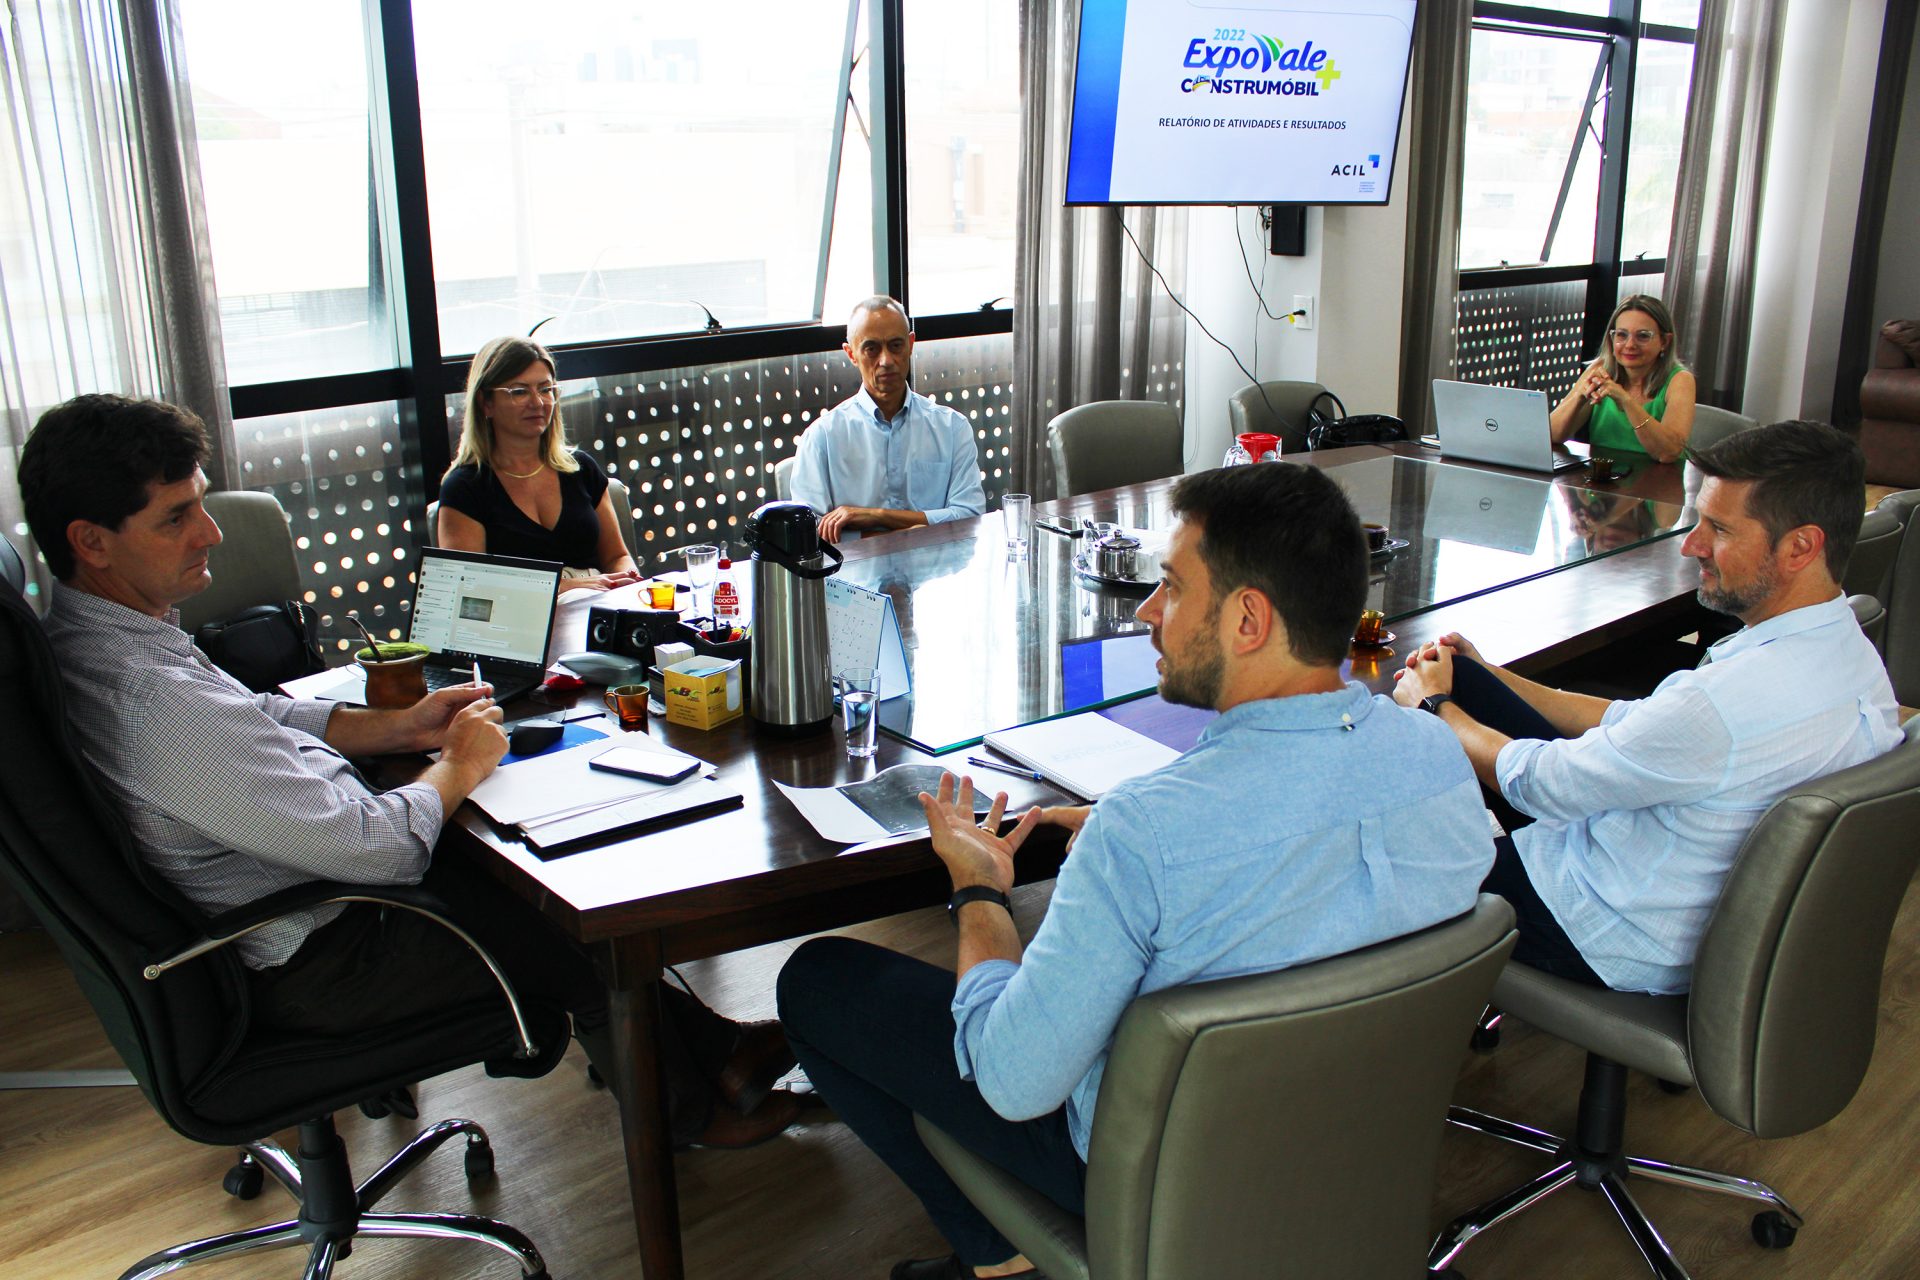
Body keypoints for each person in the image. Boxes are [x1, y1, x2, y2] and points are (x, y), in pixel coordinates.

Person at [21, 394, 802, 1149]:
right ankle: (692, 1114)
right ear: (92, 541)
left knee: (515, 873)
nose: (211, 532)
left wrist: (395, 727)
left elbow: (254, 714)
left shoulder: (105, 640)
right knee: (563, 917)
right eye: (176, 517)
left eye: (201, 503)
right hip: (320, 955)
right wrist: (456, 765)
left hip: (306, 903)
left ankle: (720, 1055)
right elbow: (380, 849)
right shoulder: (146, 700)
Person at [776, 464, 1496, 1280]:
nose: (1148, 612)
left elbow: (1012, 1085)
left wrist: (979, 892)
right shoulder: (1437, 758)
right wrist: (1150, 832)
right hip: (1356, 1139)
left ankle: (997, 1256)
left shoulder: (1144, 833)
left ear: (1249, 620)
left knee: (820, 980)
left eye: (1172, 587)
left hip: (1160, 1174)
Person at [1394, 420, 1901, 995]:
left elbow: (1543, 785)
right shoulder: (1853, 655)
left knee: (1385, 854)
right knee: (1467, 682)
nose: (1692, 545)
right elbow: (1638, 724)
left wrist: (1434, 707)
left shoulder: (1722, 705)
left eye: (1719, 529)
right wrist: (1492, 677)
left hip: (1603, 924)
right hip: (1658, 880)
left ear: (1800, 547)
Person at [437, 336, 639, 591]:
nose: (538, 402)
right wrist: (567, 587)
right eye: (519, 391)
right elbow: (469, 587)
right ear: (485, 403)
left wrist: (627, 582)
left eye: (545, 389)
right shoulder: (464, 488)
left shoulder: (581, 468)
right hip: (521, 616)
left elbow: (617, 556)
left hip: (599, 606)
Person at [789, 296, 987, 542]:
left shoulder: (952, 428)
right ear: (851, 354)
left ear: (910, 344)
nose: (886, 361)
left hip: (938, 566)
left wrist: (878, 516)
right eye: (871, 349)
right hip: (853, 567)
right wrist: (904, 534)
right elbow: (808, 532)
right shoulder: (822, 436)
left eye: (895, 346)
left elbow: (970, 516)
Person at [1549, 294, 1697, 463]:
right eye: (1621, 335)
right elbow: (1551, 436)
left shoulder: (1680, 380)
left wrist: (1626, 401)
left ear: (1664, 341)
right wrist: (1579, 398)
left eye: (1643, 336)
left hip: (1660, 478)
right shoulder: (1599, 370)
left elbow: (1668, 453)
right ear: (1611, 339)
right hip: (1604, 475)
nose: (1630, 345)